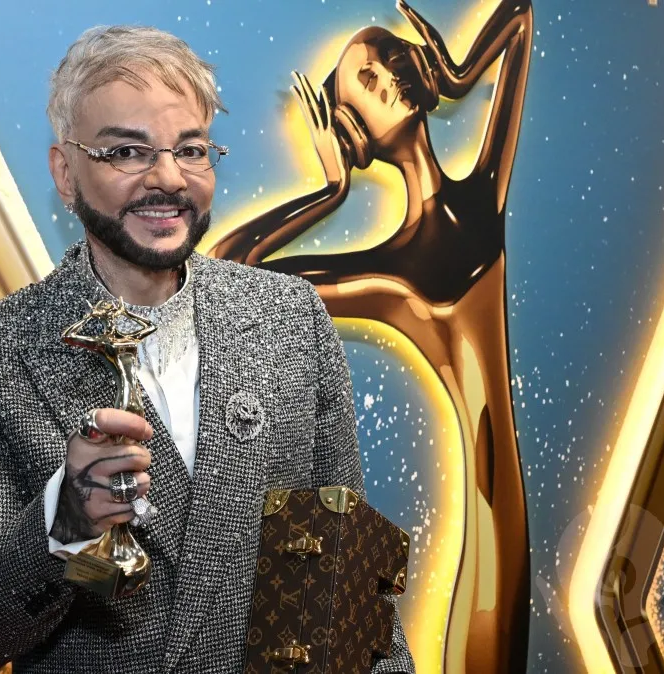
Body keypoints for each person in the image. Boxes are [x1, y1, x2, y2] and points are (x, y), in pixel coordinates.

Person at [0, 24, 415, 674]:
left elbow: (345, 582)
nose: (168, 178)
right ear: (65, 173)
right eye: (127, 152)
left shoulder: (290, 318)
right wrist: (64, 525)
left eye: (191, 149)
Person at [211, 1, 534, 669]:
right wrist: (328, 194)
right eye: (368, 78)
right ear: (355, 130)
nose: (390, 72)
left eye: (387, 55)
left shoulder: (480, 192)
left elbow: (520, 17)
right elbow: (228, 269)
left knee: (501, 547)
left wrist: (461, 72)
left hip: (507, 511)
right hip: (490, 513)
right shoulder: (393, 273)